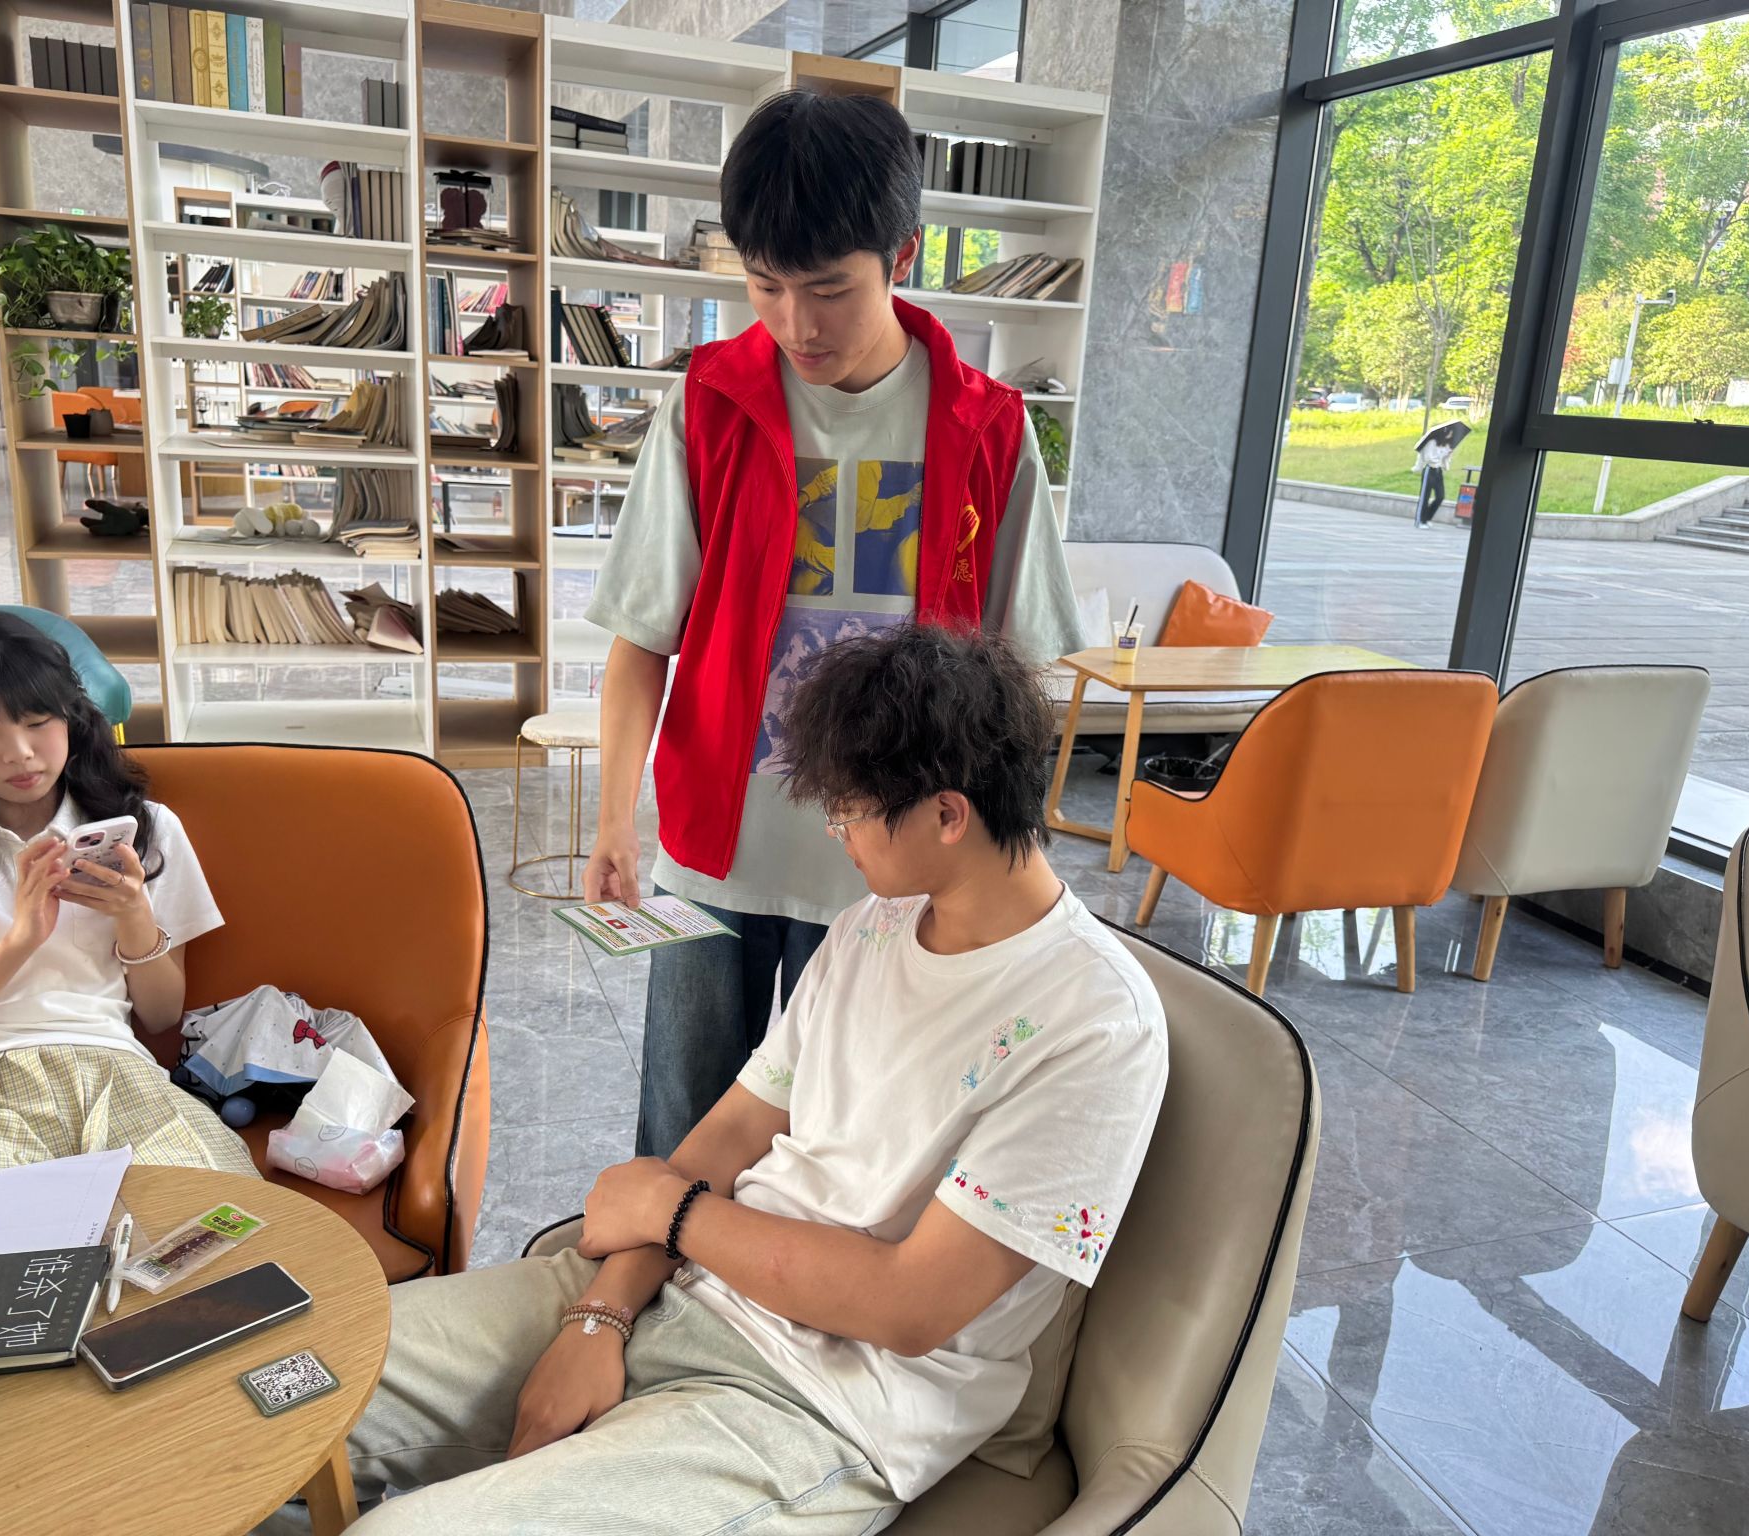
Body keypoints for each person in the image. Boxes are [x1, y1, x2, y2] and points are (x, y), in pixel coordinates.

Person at [312, 625, 1167, 1534]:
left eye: (848, 811)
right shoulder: (872, 928)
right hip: (678, 1291)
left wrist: (669, 1211)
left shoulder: (1094, 1024)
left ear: (948, 815)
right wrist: (601, 1314)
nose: (837, 835)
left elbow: (911, 1307)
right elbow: (729, 1136)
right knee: (292, 1385)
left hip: (822, 1406)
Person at [583, 88, 1085, 1159]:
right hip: (710, 854)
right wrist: (614, 820)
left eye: (829, 290)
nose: (796, 326)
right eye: (764, 285)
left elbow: (1020, 683)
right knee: (680, 1131)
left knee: (841, 1151)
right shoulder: (706, 404)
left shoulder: (988, 429)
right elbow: (641, 640)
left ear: (901, 256)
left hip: (888, 873)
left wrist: (1000, 866)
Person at [0, 612, 255, 1213]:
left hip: (115, 1073)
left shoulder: (148, 829)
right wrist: (16, 945)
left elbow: (161, 1015)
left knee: (211, 1227)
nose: (20, 754)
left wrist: (134, 916)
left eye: (38, 722)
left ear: (70, 717)